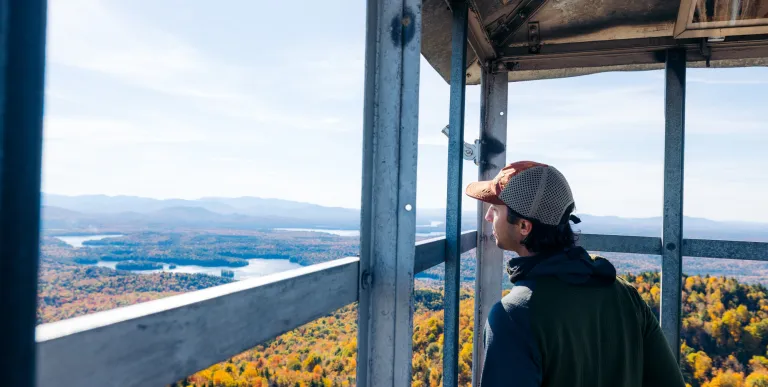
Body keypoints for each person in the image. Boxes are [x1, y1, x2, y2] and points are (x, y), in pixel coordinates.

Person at [464, 160, 686, 387]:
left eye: (495, 209)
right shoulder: (626, 296)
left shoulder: (512, 316)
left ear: (524, 227)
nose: (488, 217)